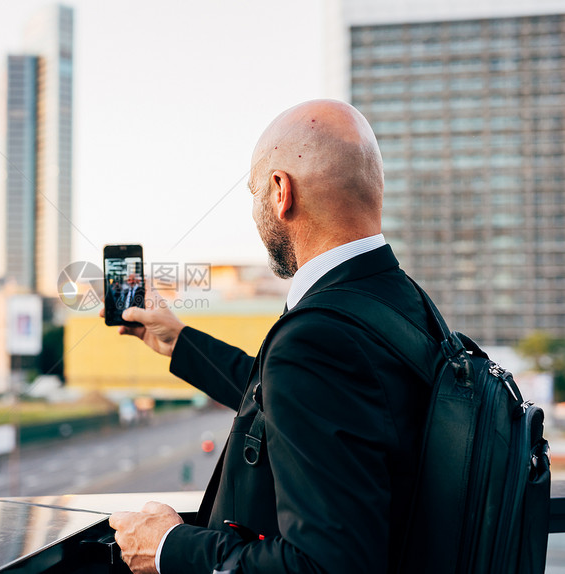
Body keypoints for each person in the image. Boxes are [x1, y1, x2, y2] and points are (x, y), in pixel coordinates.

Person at [106, 99, 435, 573]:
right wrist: (178, 340)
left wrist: (167, 548)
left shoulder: (318, 337)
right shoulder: (400, 302)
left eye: (253, 190)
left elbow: (323, 566)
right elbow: (292, 400)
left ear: (281, 192)